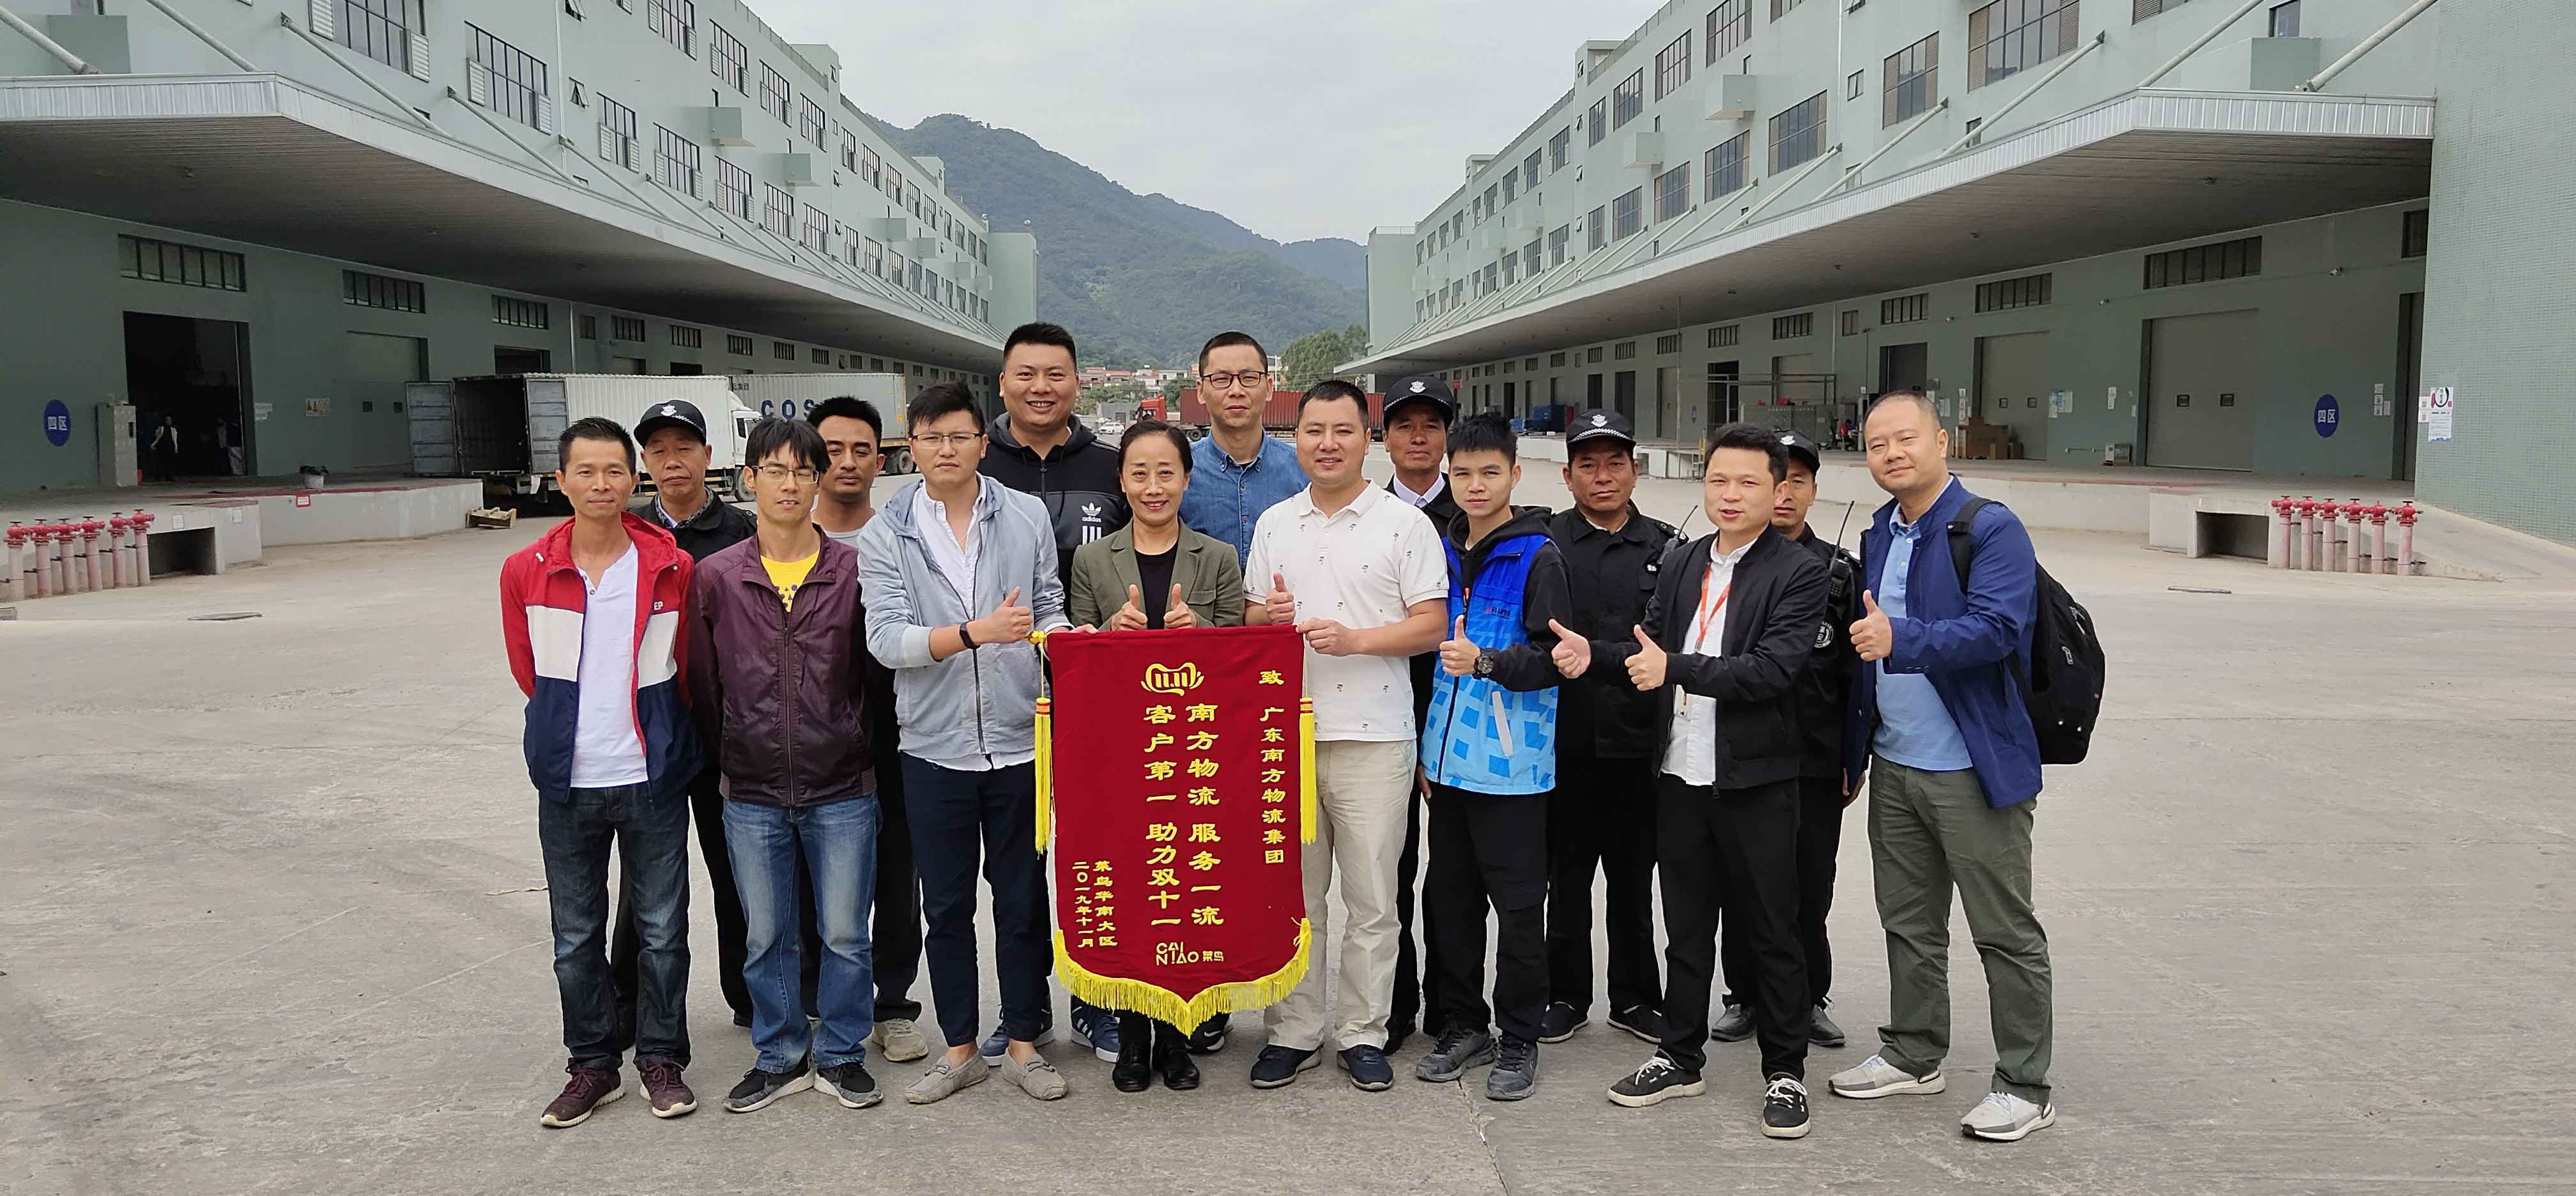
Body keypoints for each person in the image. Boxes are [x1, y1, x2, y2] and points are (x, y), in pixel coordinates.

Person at [1557, 423, 1827, 1139]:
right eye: (1718, 480)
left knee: (1771, 929)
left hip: (1756, 780)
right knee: (1686, 927)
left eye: (1748, 482)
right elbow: (1648, 646)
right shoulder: (1682, 562)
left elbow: (1771, 671)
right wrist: (1595, 654)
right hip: (1680, 774)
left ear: (1778, 489)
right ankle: (1680, 1055)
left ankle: (1785, 1071)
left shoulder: (1799, 572)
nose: (1730, 495)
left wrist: (1672, 669)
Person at [1828, 390, 2057, 1144]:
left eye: (1906, 438)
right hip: (1896, 764)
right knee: (1909, 923)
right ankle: (1914, 1052)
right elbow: (1863, 657)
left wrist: (1905, 639)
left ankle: (2024, 1084)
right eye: (1877, 444)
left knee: (2003, 932)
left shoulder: (1988, 527)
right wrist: (1856, 751)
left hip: (1971, 769)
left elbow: (1997, 630)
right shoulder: (1880, 532)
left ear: (1942, 442)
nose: (1892, 453)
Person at [855, 383, 1076, 1105]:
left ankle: (1023, 1044)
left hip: (1019, 744)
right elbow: (887, 641)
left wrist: (1074, 644)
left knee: (1022, 902)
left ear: (984, 442)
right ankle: (959, 1050)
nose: (945, 449)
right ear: (911, 448)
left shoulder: (1024, 514)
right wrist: (976, 633)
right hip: (932, 749)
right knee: (946, 908)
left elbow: (1048, 606)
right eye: (930, 437)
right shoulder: (888, 533)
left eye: (958, 436)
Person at [1243, 379, 1448, 1092]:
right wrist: (1266, 619)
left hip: (1376, 736)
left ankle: (1363, 1031)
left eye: (1343, 431)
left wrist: (1356, 640)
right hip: (1286, 737)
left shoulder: (1403, 525)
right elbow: (1250, 617)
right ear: (1294, 439)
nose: (1327, 444)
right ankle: (1293, 1032)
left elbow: (1430, 624)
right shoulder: (1275, 522)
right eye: (1314, 431)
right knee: (1295, 900)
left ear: (1368, 440)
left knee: (1373, 901)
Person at [498, 417, 701, 1127]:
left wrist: (662, 740)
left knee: (662, 931)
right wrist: (563, 736)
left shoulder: (671, 565)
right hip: (568, 782)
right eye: (585, 471)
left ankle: (662, 1059)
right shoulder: (526, 570)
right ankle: (591, 1066)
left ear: (633, 478)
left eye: (614, 471)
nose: (601, 484)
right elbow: (530, 671)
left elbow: (685, 670)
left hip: (651, 778)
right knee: (575, 938)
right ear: (561, 481)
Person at [684, 417, 887, 1114]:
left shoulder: (853, 572)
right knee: (765, 935)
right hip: (752, 790)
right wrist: (737, 755)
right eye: (775, 470)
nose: (791, 484)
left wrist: (854, 746)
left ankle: (842, 1054)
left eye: (804, 471)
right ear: (750, 479)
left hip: (843, 787)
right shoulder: (717, 577)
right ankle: (779, 1055)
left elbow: (875, 682)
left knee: (844, 934)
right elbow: (704, 685)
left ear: (819, 481)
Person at [1064, 418, 1248, 1092]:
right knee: (1133, 895)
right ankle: (1133, 1039)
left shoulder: (1218, 557)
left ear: (1186, 480)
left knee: (1185, 894)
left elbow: (1238, 654)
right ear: (1121, 481)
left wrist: (1202, 632)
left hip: (1193, 755)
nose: (1153, 486)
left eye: (1166, 472)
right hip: (1120, 758)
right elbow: (1074, 653)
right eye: (1139, 473)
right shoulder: (1092, 561)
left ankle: (1177, 1039)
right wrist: (1105, 633)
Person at [606, 399, 779, 1043]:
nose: (672, 460)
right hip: (647, 732)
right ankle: (628, 1003)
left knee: (738, 870)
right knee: (644, 879)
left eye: (684, 447)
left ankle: (752, 995)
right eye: (658, 450)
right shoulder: (626, 535)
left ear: (709, 456)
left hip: (723, 732)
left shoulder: (744, 532)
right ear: (643, 463)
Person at [980, 321, 1128, 1064]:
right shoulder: (975, 463)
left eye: (1056, 374)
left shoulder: (1113, 467)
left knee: (1096, 853)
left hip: (1099, 698)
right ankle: (1025, 1008)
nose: (1041, 388)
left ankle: (1098, 1000)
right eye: (1027, 374)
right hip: (1002, 693)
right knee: (1017, 865)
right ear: (1003, 383)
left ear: (1077, 383)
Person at [1414, 412, 1572, 1101]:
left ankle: (1520, 1036)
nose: (1475, 485)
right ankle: (1463, 1024)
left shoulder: (1539, 556)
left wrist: (1486, 661)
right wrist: (1427, 751)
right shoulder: (1442, 550)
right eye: (1463, 473)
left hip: (1513, 771)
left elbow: (1556, 660)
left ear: (1515, 474)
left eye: (1490, 472)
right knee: (1450, 904)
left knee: (1518, 911)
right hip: (1448, 768)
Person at [1715, 430, 1860, 1050]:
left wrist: (1856, 756)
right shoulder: (1725, 563)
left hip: (1814, 761)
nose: (1785, 493)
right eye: (1778, 480)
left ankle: (1807, 999)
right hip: (1744, 756)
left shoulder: (1839, 573)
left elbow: (1856, 675)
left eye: (1798, 481)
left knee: (1809, 885)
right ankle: (1745, 995)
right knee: (1741, 882)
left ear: (1810, 491)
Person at [1539, 410, 1678, 1047]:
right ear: (1567, 476)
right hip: (1562, 742)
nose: (1603, 477)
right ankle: (1565, 995)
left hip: (1638, 745)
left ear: (1635, 470)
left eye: (1615, 463)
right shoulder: (1545, 543)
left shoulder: (1669, 550)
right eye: (1588, 465)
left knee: (1632, 880)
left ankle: (1636, 997)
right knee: (1565, 880)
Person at [809, 396, 931, 1068]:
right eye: (833, 450)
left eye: (863, 450)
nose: (849, 463)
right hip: (815, 730)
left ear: (881, 461)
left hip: (897, 724)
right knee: (814, 872)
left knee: (896, 868)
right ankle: (817, 999)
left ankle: (891, 1005)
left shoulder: (901, 538)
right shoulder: (788, 541)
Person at [1380, 374, 1460, 1053]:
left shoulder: (1476, 514)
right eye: (1404, 425)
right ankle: (1396, 1004)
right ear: (1385, 438)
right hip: (1388, 718)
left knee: (1457, 876)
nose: (1418, 437)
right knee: (1393, 873)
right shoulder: (1368, 517)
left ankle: (1454, 1007)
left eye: (1431, 425)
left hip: (1462, 722)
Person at [1179, 331, 1305, 567]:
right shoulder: (1180, 472)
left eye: (1249, 378)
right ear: (1200, 390)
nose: (1236, 390)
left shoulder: (1303, 471)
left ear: (1269, 387)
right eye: (1221, 379)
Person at [148, 415, 180, 482]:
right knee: (161, 462)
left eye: (170, 420)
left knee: (170, 462)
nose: (169, 421)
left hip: (170, 448)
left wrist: (176, 448)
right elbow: (157, 437)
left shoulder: (173, 429)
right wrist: (153, 445)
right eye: (167, 420)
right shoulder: (161, 428)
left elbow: (175, 439)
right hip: (162, 448)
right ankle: (159, 477)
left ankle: (170, 476)